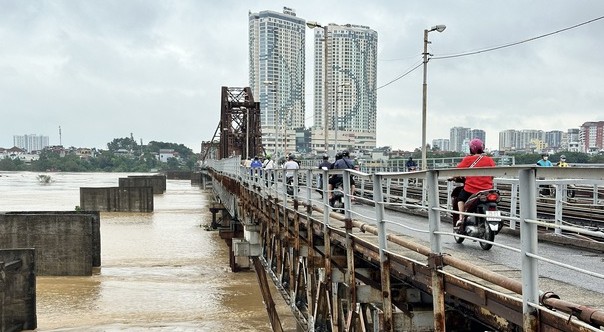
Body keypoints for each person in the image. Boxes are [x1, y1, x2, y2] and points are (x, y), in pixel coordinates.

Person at [454, 139, 496, 230]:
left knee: (460, 198)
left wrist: (454, 177)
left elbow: (456, 172)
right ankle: (493, 221)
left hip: (471, 190)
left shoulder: (468, 159)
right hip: (487, 191)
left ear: (471, 149)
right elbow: (493, 175)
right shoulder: (489, 160)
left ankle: (461, 218)